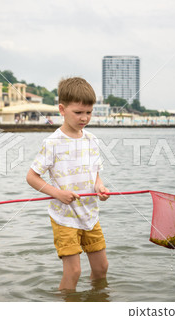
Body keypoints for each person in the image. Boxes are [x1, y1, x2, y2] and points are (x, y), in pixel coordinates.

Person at [26, 77, 110, 291]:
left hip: (90, 215)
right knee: (73, 272)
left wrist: (100, 188)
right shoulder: (52, 143)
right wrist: (57, 193)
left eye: (89, 112)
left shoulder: (91, 140)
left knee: (101, 268)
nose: (84, 118)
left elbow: (96, 175)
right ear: (62, 109)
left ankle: (97, 302)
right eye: (78, 112)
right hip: (64, 217)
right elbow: (32, 177)